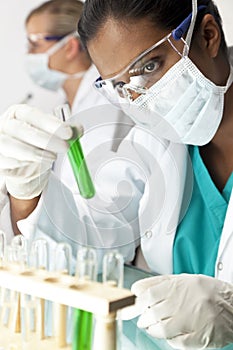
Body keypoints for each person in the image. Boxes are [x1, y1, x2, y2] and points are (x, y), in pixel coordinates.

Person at [0, 0, 233, 348]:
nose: (139, 98)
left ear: (208, 35)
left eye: (149, 66)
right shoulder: (147, 137)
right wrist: (26, 192)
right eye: (120, 85)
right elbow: (85, 255)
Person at [25, 0, 134, 195]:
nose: (28, 53)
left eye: (35, 43)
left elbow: (102, 194)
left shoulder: (107, 102)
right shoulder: (66, 105)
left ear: (70, 47)